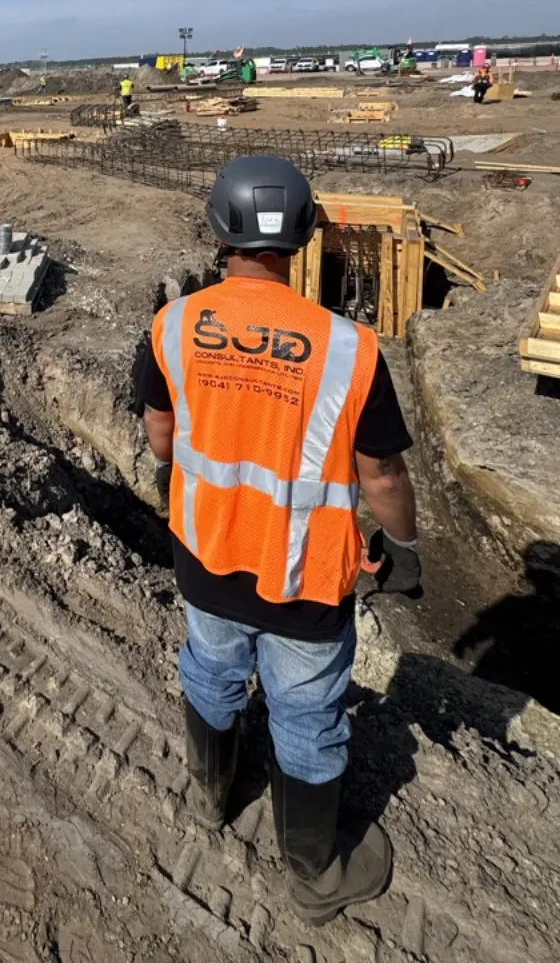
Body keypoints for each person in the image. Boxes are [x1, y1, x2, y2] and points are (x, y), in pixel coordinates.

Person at [137, 156, 421, 925]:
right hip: (301, 579)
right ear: (300, 236)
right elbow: (382, 475)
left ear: (219, 230)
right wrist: (405, 548)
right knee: (305, 716)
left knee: (212, 674)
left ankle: (212, 799)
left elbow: (162, 439)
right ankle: (313, 874)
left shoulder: (174, 325)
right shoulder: (348, 348)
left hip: (203, 556)